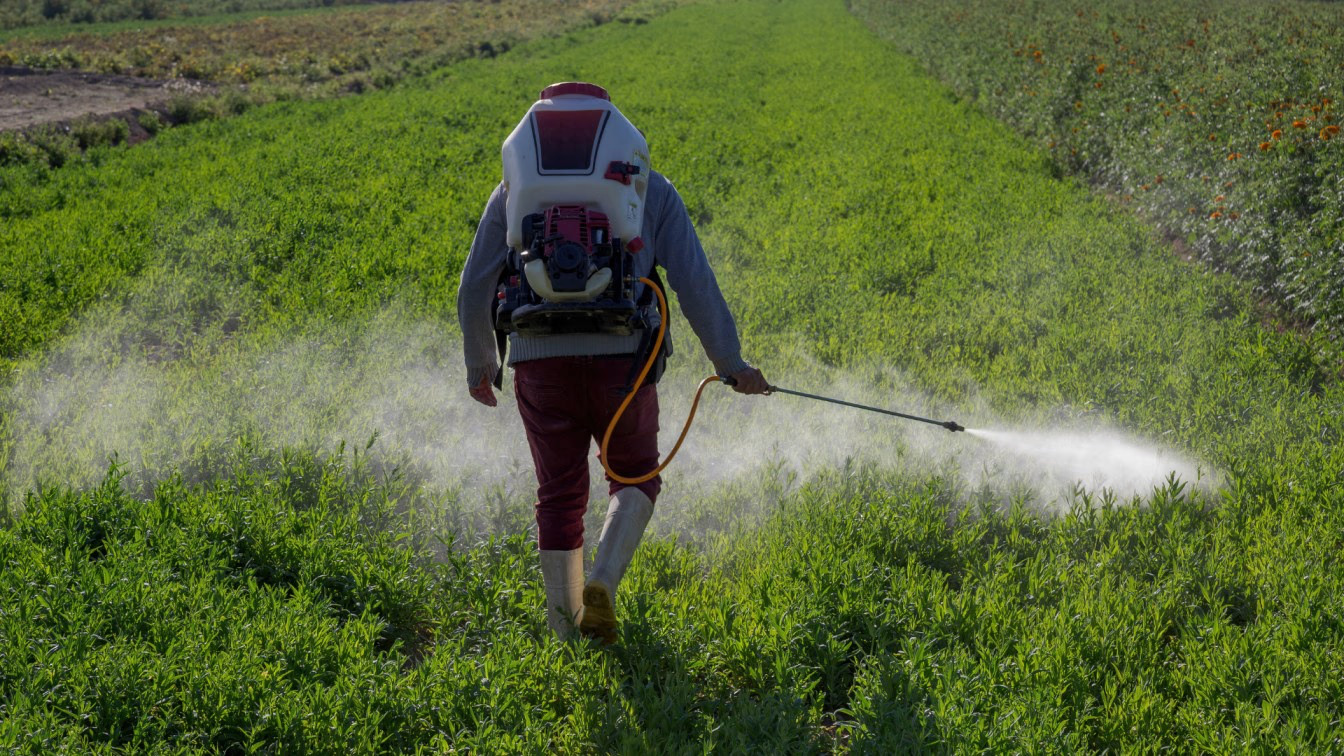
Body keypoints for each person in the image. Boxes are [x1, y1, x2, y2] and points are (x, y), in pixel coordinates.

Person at [457, 83, 768, 643]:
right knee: (635, 478)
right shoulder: (649, 188)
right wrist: (730, 362)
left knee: (558, 494)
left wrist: (482, 363)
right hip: (623, 365)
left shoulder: (511, 192)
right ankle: (603, 578)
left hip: (539, 366)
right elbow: (695, 283)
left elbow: (475, 284)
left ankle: (564, 630)